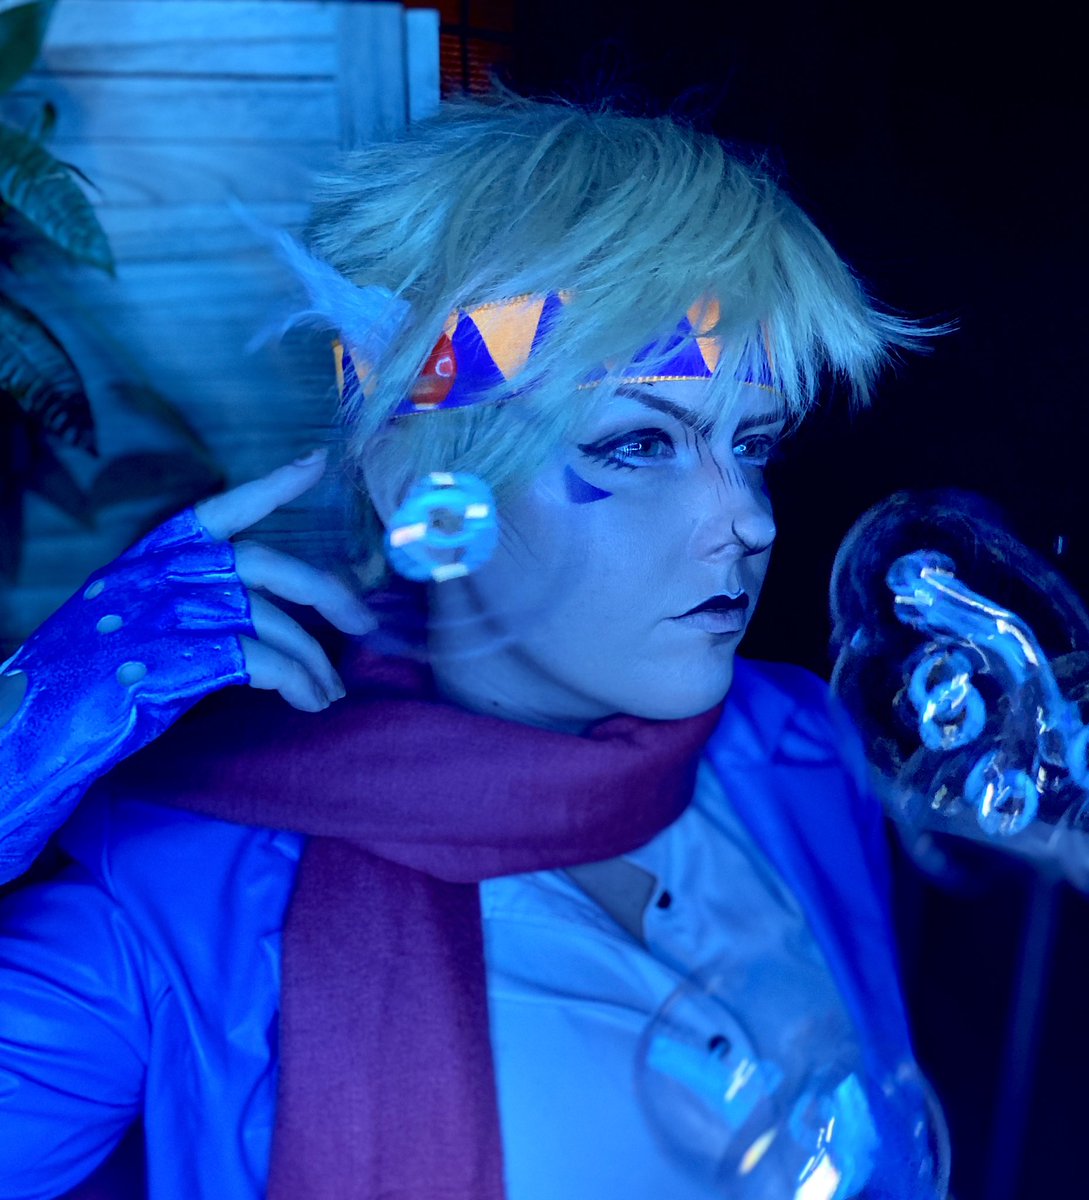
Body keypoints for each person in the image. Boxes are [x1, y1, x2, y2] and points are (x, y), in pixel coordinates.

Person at [0, 91, 944, 1199]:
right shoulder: (173, 894)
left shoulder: (798, 743)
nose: (746, 518)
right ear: (418, 479)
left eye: (754, 445)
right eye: (639, 443)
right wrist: (13, 744)